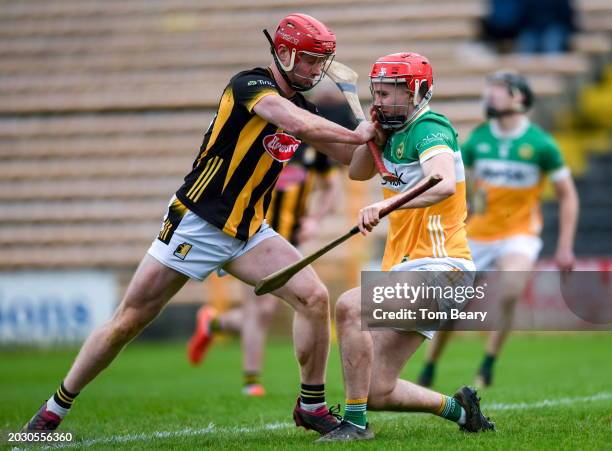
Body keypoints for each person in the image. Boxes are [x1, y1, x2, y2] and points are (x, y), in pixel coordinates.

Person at [23, 13, 376, 435]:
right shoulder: (250, 85)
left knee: (314, 298)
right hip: (197, 223)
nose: (316, 71)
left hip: (249, 233)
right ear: (282, 53)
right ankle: (52, 411)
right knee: (129, 321)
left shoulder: (306, 107)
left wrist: (379, 135)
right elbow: (294, 122)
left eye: (321, 62)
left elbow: (355, 169)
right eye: (308, 61)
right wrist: (358, 134)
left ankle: (311, 407)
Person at [317, 52, 495, 442]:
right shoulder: (392, 130)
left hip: (444, 267)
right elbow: (359, 170)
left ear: (415, 92)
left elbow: (443, 181)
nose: (378, 101)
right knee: (375, 388)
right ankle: (461, 412)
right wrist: (370, 135)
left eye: (388, 93)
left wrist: (385, 204)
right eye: (375, 93)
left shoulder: (431, 127)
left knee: (349, 305)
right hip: (406, 267)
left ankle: (355, 425)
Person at [418, 71, 579, 388]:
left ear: (519, 97)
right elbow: (460, 185)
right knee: (452, 305)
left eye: (498, 90)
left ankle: (488, 365)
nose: (490, 95)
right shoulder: (478, 139)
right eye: (488, 89)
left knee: (510, 290)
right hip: (477, 234)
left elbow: (568, 196)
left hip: (520, 233)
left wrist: (565, 246)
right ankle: (429, 367)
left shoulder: (541, 144)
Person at [187, 141, 343, 396]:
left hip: (290, 243)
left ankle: (214, 324)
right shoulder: (261, 136)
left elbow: (333, 187)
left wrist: (315, 219)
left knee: (267, 311)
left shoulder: (311, 143)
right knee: (259, 309)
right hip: (254, 238)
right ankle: (251, 382)